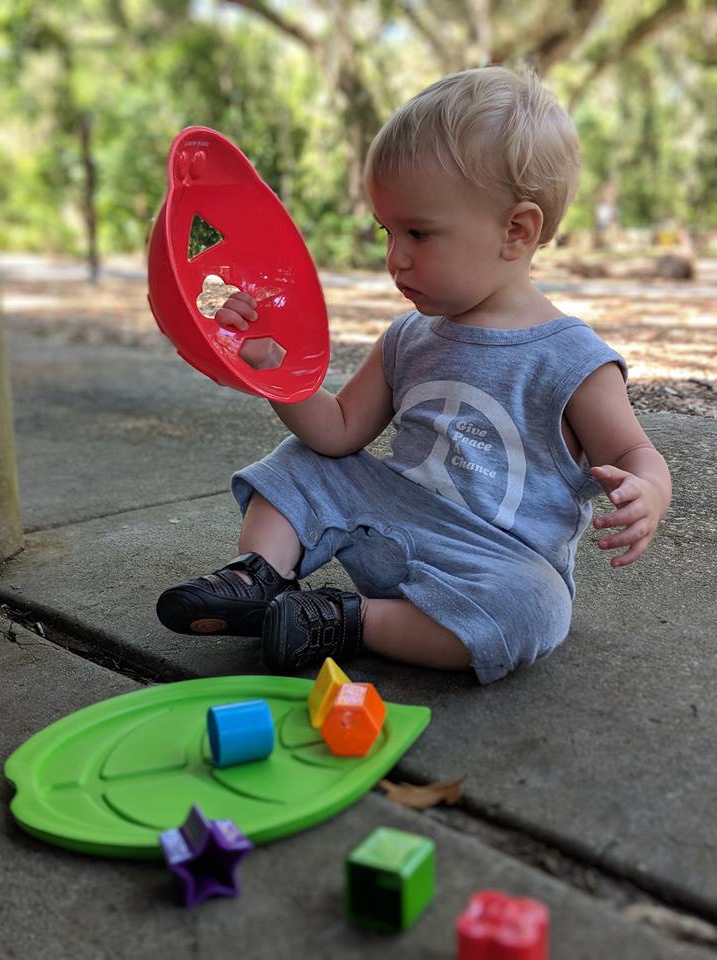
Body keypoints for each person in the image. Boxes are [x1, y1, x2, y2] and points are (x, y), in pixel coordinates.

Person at [156, 66, 671, 684]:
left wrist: (648, 494)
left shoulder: (570, 358)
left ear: (517, 231)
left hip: (494, 561)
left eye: (418, 233)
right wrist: (270, 370)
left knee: (536, 608)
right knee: (302, 459)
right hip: (391, 521)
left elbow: (636, 451)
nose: (393, 258)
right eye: (387, 232)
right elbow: (338, 432)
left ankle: (343, 620)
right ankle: (259, 577)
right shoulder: (409, 336)